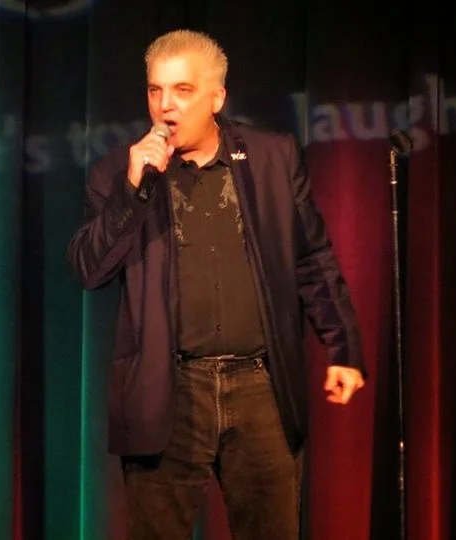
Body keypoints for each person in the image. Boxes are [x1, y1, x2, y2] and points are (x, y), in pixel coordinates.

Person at [66, 28, 366, 539]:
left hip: (259, 387)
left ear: (217, 97)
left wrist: (343, 347)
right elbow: (89, 270)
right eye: (155, 90)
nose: (165, 105)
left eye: (182, 90)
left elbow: (312, 256)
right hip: (169, 391)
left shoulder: (272, 157)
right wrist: (133, 189)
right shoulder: (118, 172)